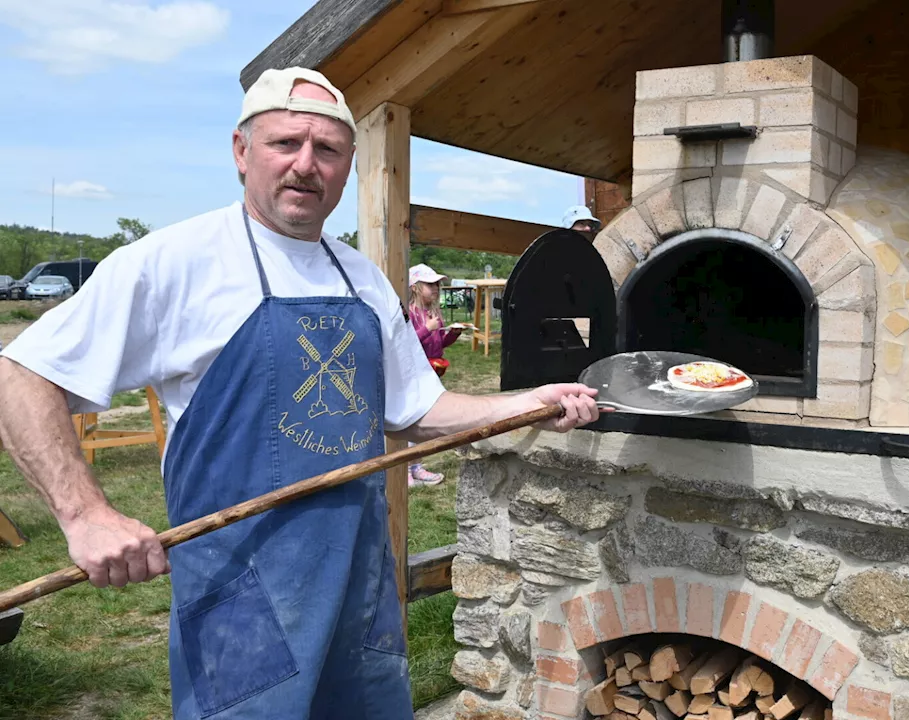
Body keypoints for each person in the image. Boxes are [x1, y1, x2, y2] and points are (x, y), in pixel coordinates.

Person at [0, 67, 599, 719]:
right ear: (241, 151)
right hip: (243, 605)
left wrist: (527, 403)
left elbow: (418, 412)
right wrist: (84, 514)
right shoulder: (175, 263)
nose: (306, 165)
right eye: (285, 143)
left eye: (328, 150)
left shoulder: (364, 280)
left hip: (360, 597)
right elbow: (21, 375)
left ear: (347, 167)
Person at [406, 263, 463, 487]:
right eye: (430, 284)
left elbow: (439, 344)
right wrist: (427, 328)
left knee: (422, 422)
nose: (436, 288)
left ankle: (416, 467)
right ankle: (405, 471)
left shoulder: (433, 313)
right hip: (415, 373)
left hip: (433, 371)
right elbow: (407, 343)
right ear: (415, 287)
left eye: (438, 284)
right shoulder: (410, 313)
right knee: (411, 421)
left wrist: (454, 334)